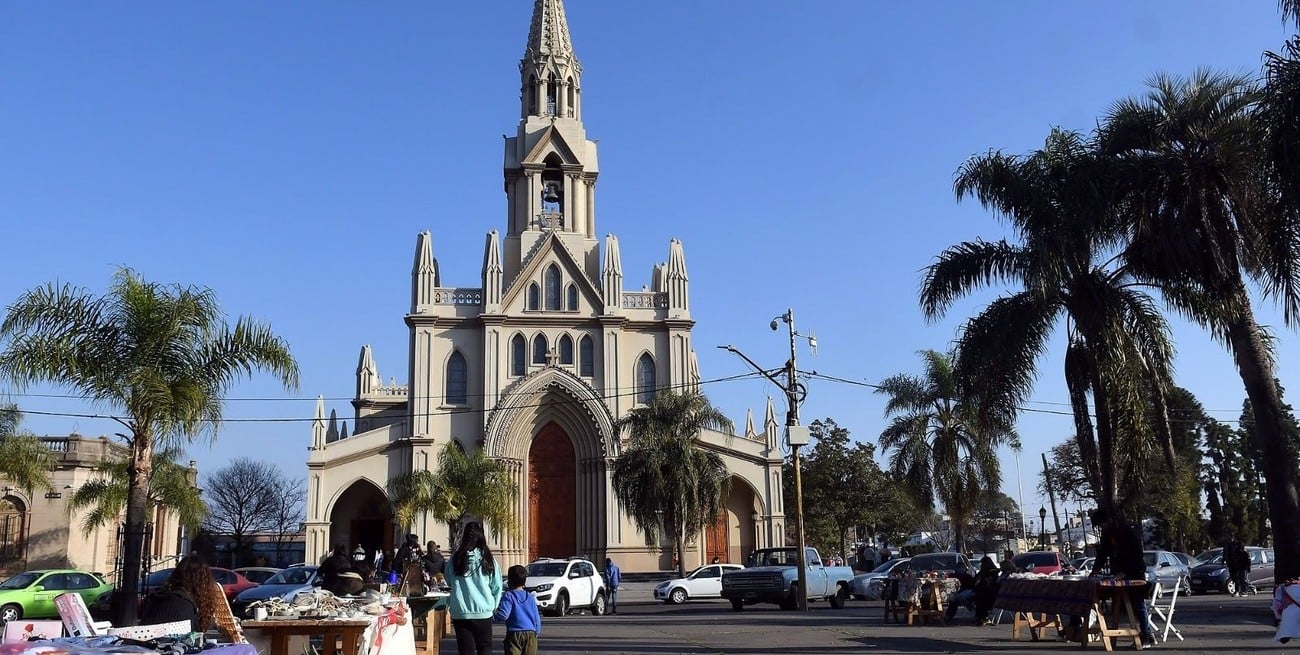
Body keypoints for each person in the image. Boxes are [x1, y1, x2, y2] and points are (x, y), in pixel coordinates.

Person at [1092, 507, 1154, 649]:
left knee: (1138, 605)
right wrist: (1095, 569)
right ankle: (1146, 633)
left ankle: (1145, 635)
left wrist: (1125, 572)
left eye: (1103, 524)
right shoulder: (1108, 535)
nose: (1103, 528)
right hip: (1120, 573)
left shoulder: (1129, 534)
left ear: (1110, 521)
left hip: (1135, 572)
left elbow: (1136, 558)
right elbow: (1103, 553)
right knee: (1126, 604)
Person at [146, 555, 243, 643]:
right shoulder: (185, 604)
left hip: (147, 648)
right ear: (204, 581)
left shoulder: (157, 597)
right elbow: (193, 638)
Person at [444, 521, 503, 655]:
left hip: (460, 611)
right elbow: (497, 585)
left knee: (465, 650)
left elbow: (448, 580)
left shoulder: (455, 559)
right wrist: (494, 604)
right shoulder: (487, 559)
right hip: (483, 611)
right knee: (485, 648)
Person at [494, 565, 541, 655]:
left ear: (509, 581)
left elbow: (504, 615)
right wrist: (536, 631)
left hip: (514, 633)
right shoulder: (530, 596)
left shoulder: (508, 595)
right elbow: (536, 617)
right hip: (531, 633)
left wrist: (493, 616)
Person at [972, 556, 1001, 626]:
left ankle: (983, 617)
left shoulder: (993, 572)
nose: (981, 565)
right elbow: (975, 580)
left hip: (992, 593)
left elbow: (993, 583)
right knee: (979, 598)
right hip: (981, 591)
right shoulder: (982, 571)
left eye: (982, 563)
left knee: (982, 599)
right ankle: (980, 617)